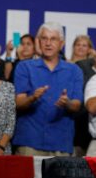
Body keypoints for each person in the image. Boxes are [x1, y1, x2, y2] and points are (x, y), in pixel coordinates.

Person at [12, 23, 83, 156]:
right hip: (30, 142)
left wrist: (66, 103)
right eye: (44, 39)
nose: (48, 43)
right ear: (38, 42)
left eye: (53, 39)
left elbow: (77, 105)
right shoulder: (24, 67)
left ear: (61, 44)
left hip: (61, 143)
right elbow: (18, 104)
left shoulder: (74, 71)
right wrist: (33, 98)